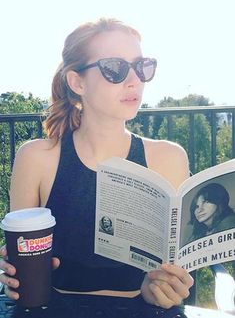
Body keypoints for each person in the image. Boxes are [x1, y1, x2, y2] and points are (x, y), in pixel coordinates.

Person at [0, 17, 193, 318]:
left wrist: (166, 289)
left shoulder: (168, 159)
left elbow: (171, 269)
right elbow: (20, 258)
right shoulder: (37, 158)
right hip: (51, 309)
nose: (134, 81)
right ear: (77, 82)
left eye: (141, 67)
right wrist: (11, 273)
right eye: (115, 68)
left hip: (141, 310)